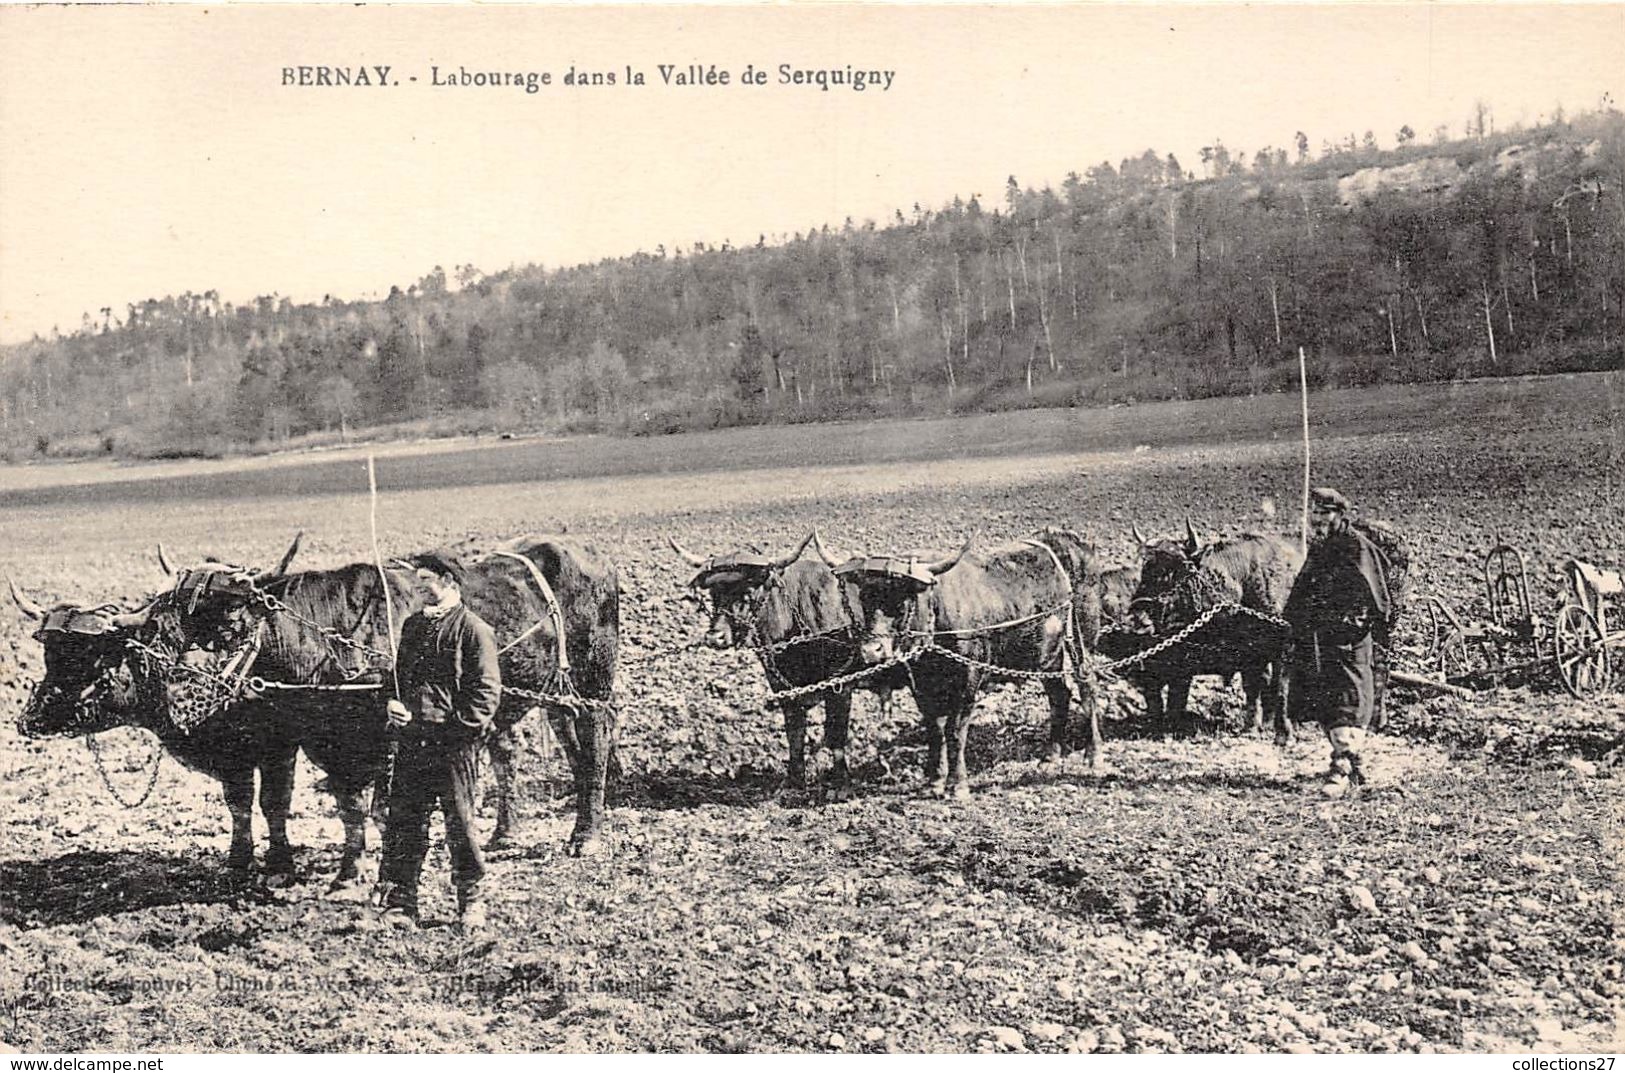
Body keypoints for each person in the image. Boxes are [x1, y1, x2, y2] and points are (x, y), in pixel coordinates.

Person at [378, 552, 502, 932]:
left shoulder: (473, 629)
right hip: (412, 744)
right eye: (419, 581)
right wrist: (392, 703)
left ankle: (471, 902)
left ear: (449, 582)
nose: (419, 588)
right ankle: (401, 903)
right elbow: (397, 678)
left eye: (426, 580)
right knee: (404, 821)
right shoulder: (414, 626)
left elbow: (485, 695)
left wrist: (451, 732)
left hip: (453, 748)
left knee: (460, 825)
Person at [1283, 487, 1393, 799]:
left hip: (1349, 639)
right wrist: (1292, 620)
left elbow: (1374, 596)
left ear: (1339, 515)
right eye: (1314, 513)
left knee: (1350, 698)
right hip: (1321, 638)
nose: (1318, 519)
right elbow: (1303, 589)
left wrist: (1351, 624)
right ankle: (1353, 761)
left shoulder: (1355, 547)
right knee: (1326, 698)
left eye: (1324, 513)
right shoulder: (1321, 547)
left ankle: (1341, 767)